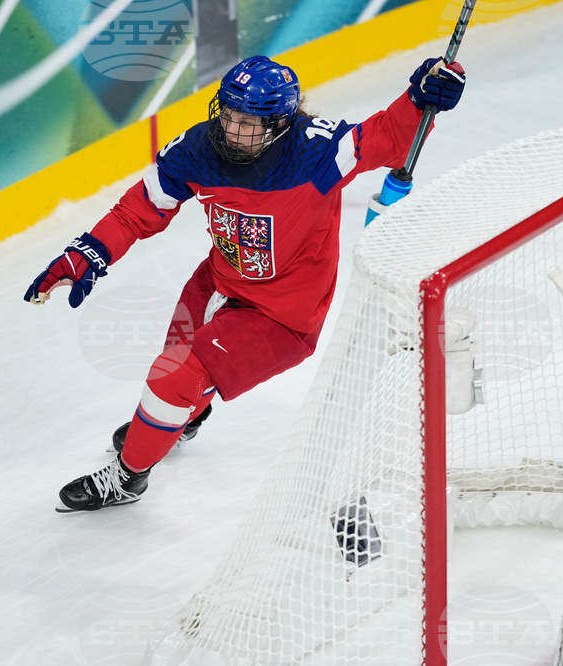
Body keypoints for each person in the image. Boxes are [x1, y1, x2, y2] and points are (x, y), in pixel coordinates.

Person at [25, 54, 467, 512]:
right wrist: (87, 252)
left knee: (170, 381)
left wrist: (421, 98)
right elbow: (138, 210)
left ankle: (127, 477)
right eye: (230, 115)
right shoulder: (198, 148)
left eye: (249, 122)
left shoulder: (319, 150)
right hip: (213, 284)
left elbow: (391, 139)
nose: (234, 130)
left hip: (282, 317)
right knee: (174, 372)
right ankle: (185, 415)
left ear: (281, 121)